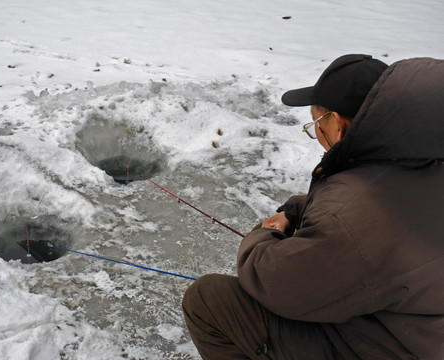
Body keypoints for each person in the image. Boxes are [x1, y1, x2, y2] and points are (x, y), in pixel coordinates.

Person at [182, 54, 444, 359]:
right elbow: (374, 213)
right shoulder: (427, 161)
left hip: (393, 345)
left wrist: (265, 234)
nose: (316, 131)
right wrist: (298, 209)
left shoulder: (347, 212)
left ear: (336, 123)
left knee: (208, 299)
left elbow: (276, 284)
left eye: (316, 122)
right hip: (419, 329)